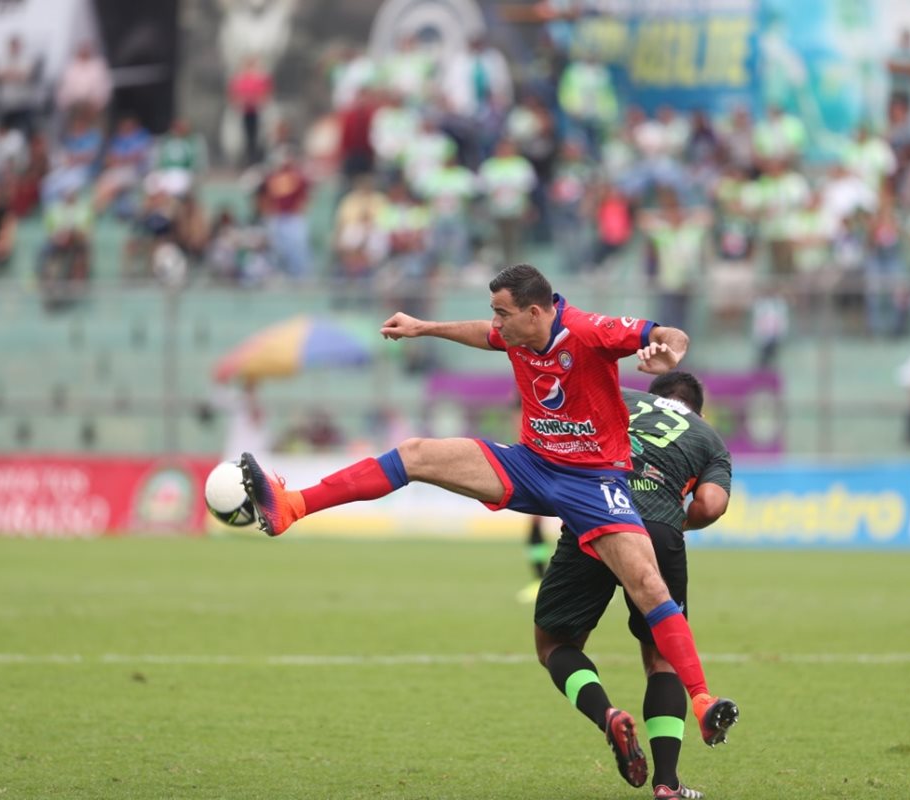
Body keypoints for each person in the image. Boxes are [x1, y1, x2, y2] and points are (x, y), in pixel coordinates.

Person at [237, 264, 738, 787]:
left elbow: (670, 334)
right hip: (532, 464)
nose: (495, 322)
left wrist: (669, 351)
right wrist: (424, 328)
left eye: (503, 312)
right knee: (416, 454)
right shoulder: (515, 332)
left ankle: (702, 700)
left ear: (536, 312)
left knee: (649, 586)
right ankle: (291, 506)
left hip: (594, 483)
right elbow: (484, 334)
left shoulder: (589, 330)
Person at [536, 370, 733, 800]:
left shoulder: (622, 397)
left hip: (596, 514)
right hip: (660, 531)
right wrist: (672, 519)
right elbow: (711, 505)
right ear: (697, 411)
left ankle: (607, 714)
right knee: (662, 658)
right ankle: (667, 783)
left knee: (555, 645)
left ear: (652, 396)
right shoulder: (709, 437)